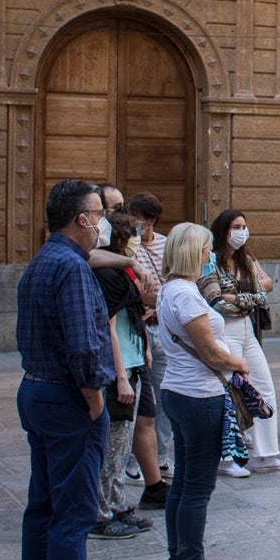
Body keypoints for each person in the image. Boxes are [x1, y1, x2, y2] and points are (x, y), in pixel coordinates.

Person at [14, 179, 128, 560]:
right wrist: (95, 398)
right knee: (73, 512)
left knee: (42, 505)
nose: (103, 222)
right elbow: (84, 344)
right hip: (68, 400)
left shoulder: (42, 262)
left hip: (37, 392)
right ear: (82, 218)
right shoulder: (72, 269)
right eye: (100, 213)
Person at [157, 222, 249, 560]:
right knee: (197, 488)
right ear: (194, 252)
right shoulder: (188, 296)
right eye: (207, 249)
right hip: (199, 396)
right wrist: (240, 364)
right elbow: (210, 353)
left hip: (179, 391)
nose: (211, 255)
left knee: (181, 483)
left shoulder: (170, 290)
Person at [208, 209, 280, 475]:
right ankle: (227, 458)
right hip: (225, 330)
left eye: (244, 226)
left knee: (264, 388)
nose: (241, 231)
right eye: (236, 226)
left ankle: (266, 454)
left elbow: (263, 295)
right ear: (223, 230)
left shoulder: (246, 259)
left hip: (247, 330)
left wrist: (237, 299)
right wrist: (244, 301)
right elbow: (217, 302)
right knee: (232, 392)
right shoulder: (211, 261)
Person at [89, 207, 151, 540]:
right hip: (119, 366)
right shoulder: (109, 275)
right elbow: (108, 326)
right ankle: (101, 512)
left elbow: (133, 319)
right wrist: (122, 376)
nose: (138, 241)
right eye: (133, 235)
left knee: (122, 440)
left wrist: (145, 352)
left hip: (132, 359)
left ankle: (116, 503)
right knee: (112, 445)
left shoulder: (121, 270)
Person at [123, 193, 169, 509]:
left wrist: (155, 298)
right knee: (138, 396)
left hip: (160, 327)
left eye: (138, 217)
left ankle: (161, 454)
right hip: (136, 328)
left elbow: (173, 283)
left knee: (160, 396)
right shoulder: (124, 247)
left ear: (150, 221)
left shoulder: (167, 245)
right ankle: (132, 458)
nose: (133, 222)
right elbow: (131, 291)